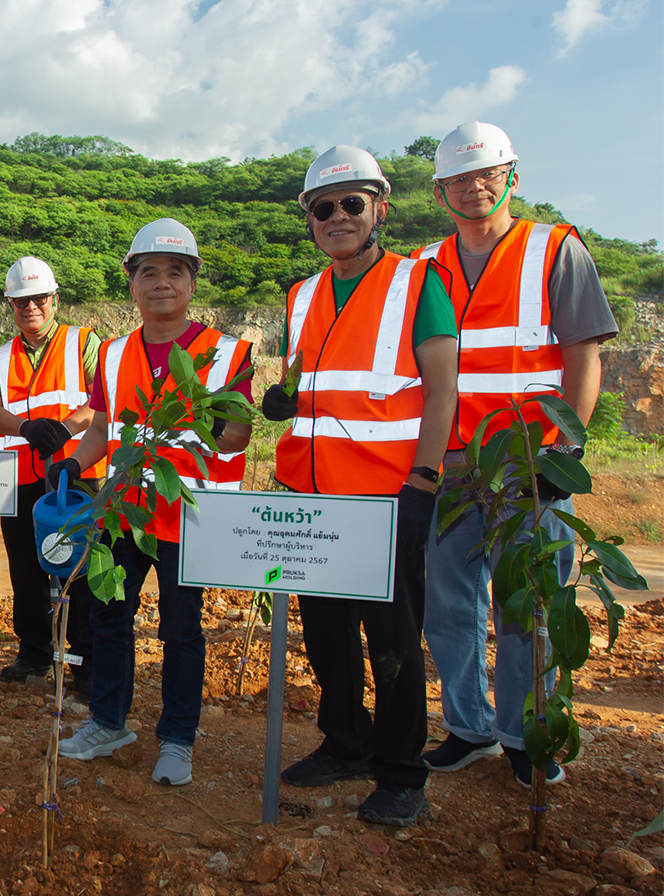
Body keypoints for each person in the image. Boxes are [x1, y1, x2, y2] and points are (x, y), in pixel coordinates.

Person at [415, 122, 617, 788]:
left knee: (527, 601)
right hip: (451, 463)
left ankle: (524, 734)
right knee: (449, 605)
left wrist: (564, 454)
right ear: (441, 190)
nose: (475, 189)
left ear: (512, 178)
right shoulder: (426, 265)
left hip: (528, 464)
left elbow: (584, 355)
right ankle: (468, 727)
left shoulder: (554, 249)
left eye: (487, 175)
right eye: (459, 180)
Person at [261, 146, 458, 826]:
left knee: (395, 640)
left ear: (379, 208)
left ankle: (402, 773)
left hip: (385, 498)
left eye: (352, 203)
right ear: (310, 219)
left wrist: (424, 482)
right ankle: (345, 740)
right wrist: (281, 399)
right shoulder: (303, 293)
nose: (337, 216)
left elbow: (442, 391)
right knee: (327, 634)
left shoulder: (418, 284)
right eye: (324, 207)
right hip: (312, 497)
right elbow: (308, 377)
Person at [49, 219, 253, 787]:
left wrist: (186, 409)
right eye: (149, 273)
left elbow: (236, 436)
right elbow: (102, 430)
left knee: (181, 629)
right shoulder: (113, 354)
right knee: (109, 615)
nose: (161, 283)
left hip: (191, 514)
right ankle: (109, 721)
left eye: (174, 272)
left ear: (192, 283)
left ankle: (178, 738)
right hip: (124, 510)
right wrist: (74, 459)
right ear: (132, 285)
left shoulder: (225, 353)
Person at [0, 256, 99, 698]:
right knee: (25, 569)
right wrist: (24, 428)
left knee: (78, 568)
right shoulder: (1, 354)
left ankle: (85, 660)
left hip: (76, 472)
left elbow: (101, 401)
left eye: (38, 299)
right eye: (20, 301)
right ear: (11, 304)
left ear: (54, 299)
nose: (31, 307)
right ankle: (34, 651)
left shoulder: (83, 342)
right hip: (21, 475)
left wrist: (67, 428)